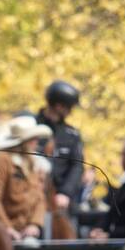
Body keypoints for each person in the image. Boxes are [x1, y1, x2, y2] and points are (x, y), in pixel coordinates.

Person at [0, 114, 50, 240]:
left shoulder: (32, 161)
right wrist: (7, 227)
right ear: (23, 141)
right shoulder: (0, 159)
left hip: (26, 231)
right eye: (33, 138)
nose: (36, 141)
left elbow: (40, 198)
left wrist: (34, 224)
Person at [36, 80, 84, 213]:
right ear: (59, 106)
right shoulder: (31, 127)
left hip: (59, 200)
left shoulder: (72, 134)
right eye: (69, 107)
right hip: (31, 196)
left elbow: (77, 165)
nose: (70, 112)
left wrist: (65, 192)